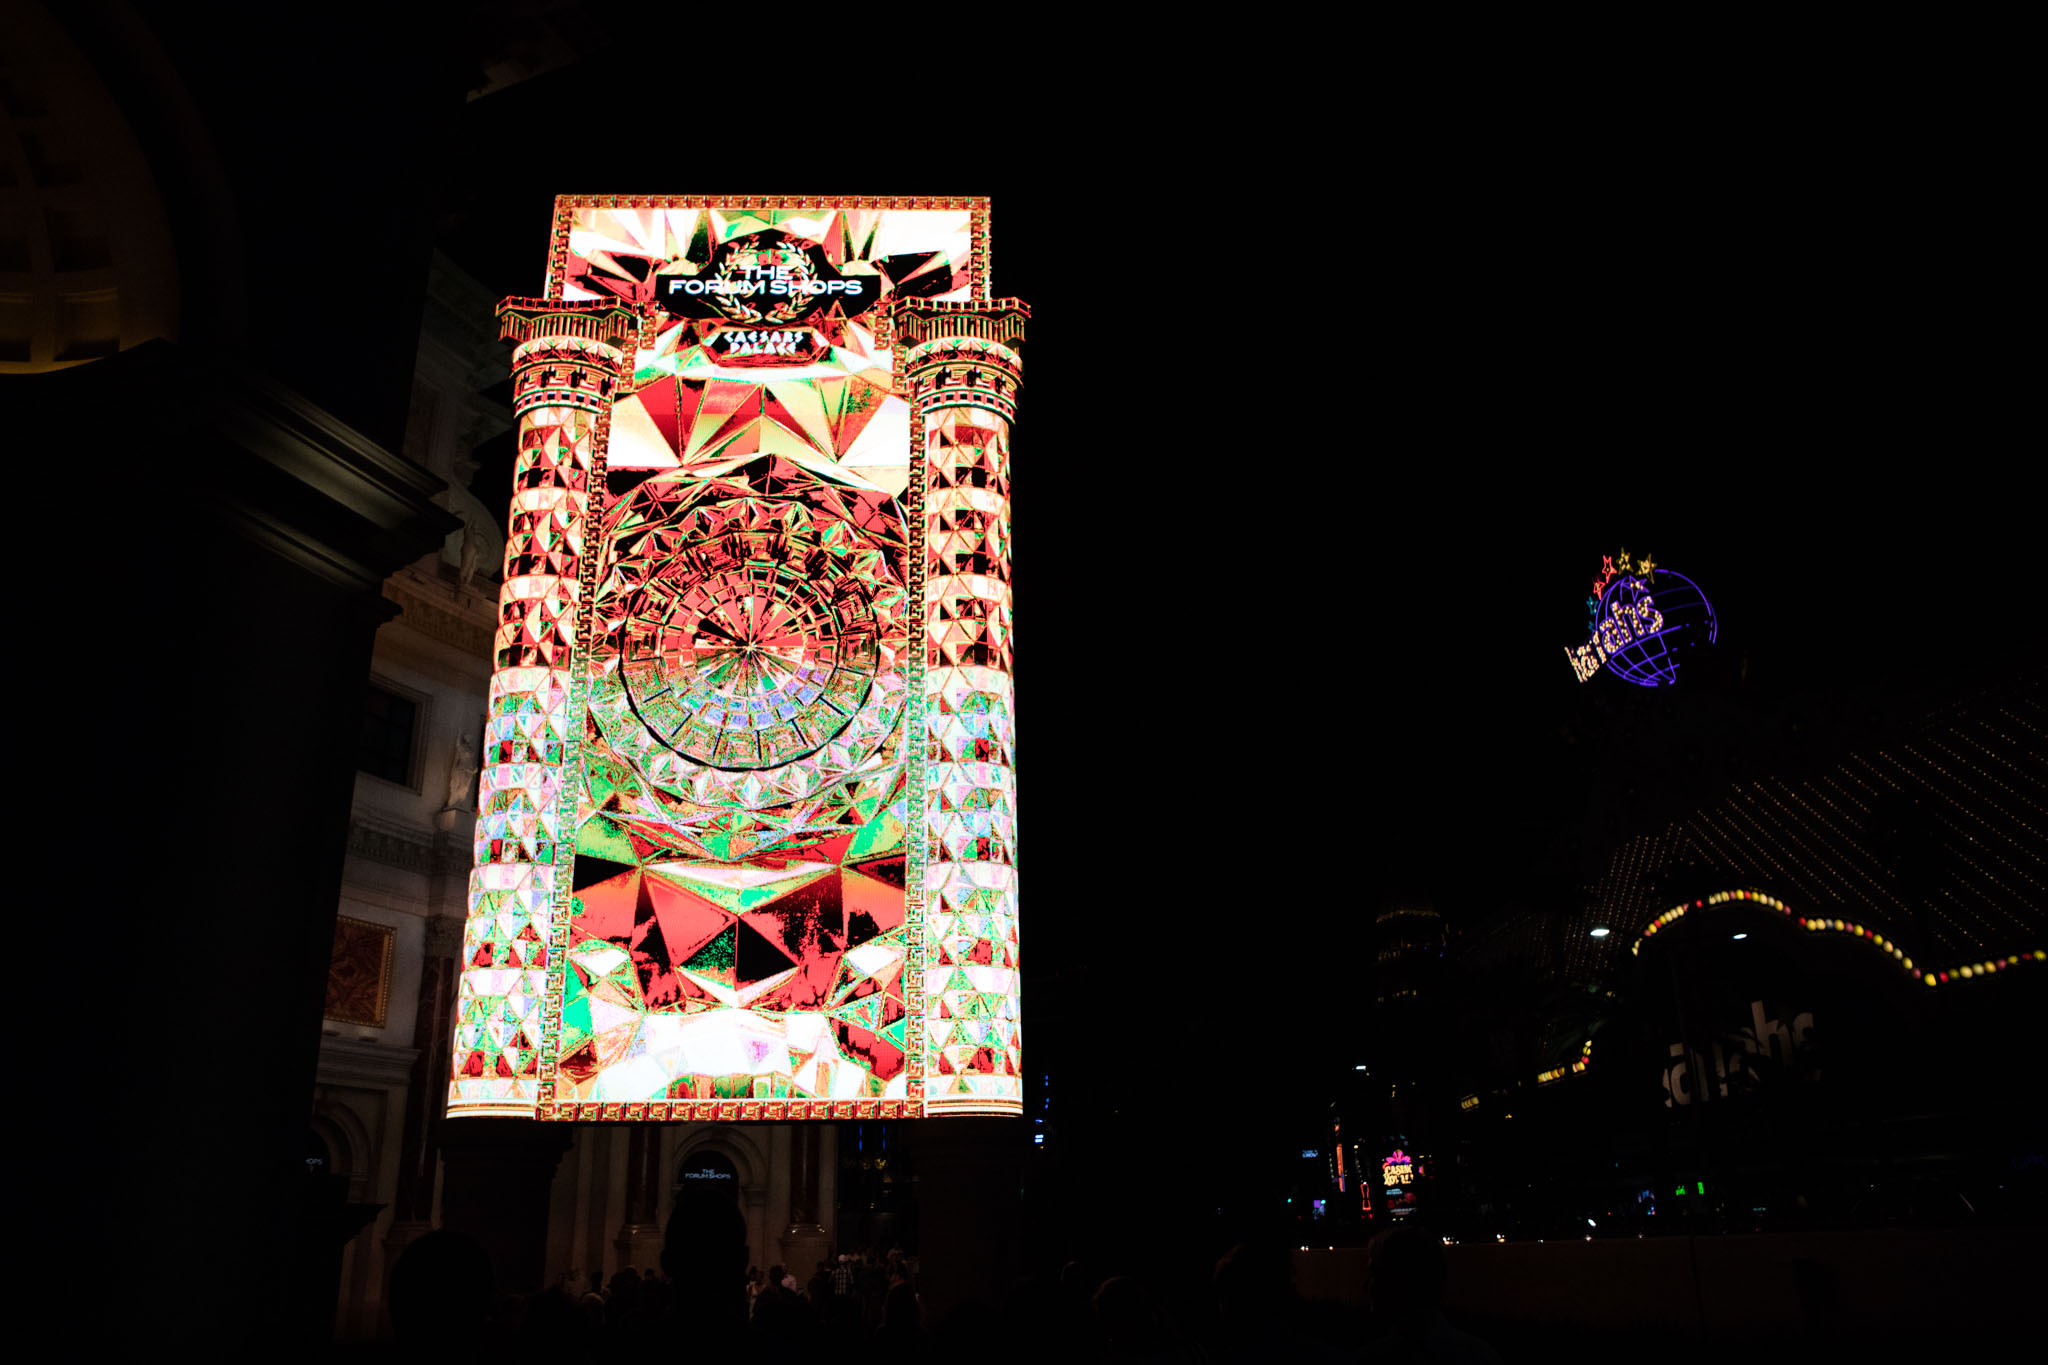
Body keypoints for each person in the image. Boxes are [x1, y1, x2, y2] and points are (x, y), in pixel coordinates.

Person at [1360, 1225, 1501, 1364]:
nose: (1366, 1285)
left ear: (1400, 1281)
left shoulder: (1373, 1357)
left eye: (1375, 1273)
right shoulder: (1480, 1354)